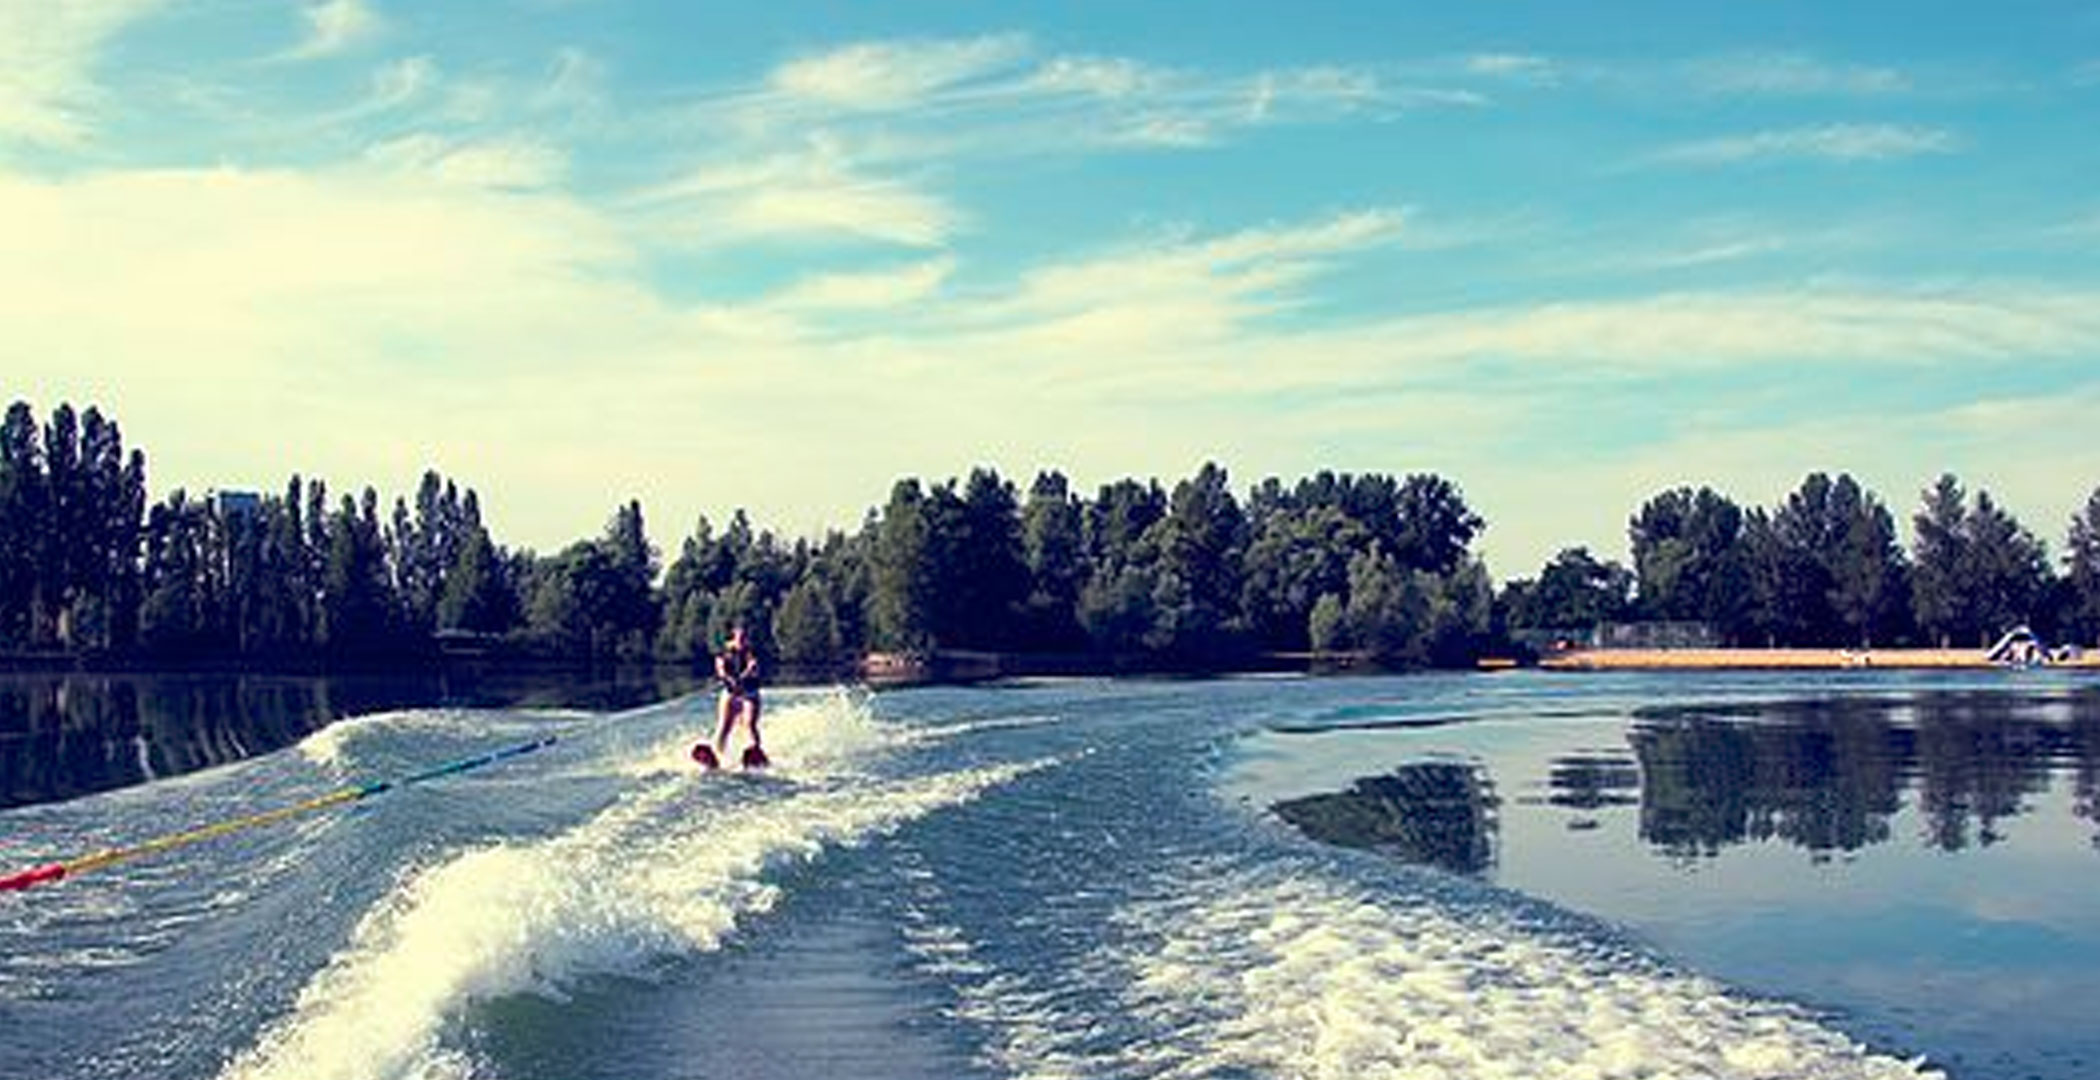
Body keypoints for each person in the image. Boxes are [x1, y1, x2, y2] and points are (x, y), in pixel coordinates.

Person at [710, 625, 766, 767]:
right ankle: (718, 754)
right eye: (739, 638)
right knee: (724, 724)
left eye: (744, 638)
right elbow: (720, 668)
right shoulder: (724, 652)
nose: (742, 641)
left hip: (749, 692)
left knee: (749, 724)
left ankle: (754, 751)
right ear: (732, 639)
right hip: (731, 692)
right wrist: (728, 678)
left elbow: (753, 665)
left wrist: (744, 675)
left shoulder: (751, 652)